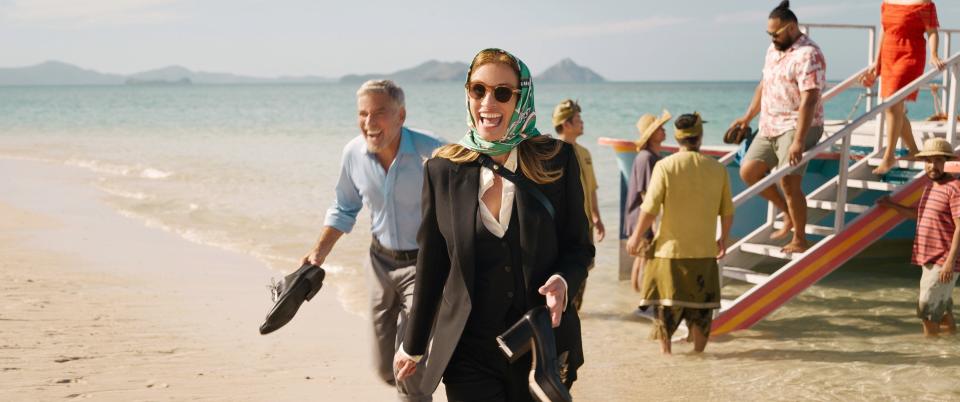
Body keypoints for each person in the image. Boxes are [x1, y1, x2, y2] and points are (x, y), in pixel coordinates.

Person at [394, 48, 593, 401]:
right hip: (467, 353)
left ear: (522, 98)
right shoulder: (442, 169)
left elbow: (579, 248)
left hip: (540, 349)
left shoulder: (558, 160)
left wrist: (563, 280)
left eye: (503, 92)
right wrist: (413, 344)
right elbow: (433, 263)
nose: (488, 102)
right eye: (478, 90)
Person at [300, 79, 444, 401]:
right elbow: (344, 206)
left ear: (400, 116)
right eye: (363, 114)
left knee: (408, 365)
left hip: (423, 267)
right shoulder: (353, 154)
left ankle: (417, 385)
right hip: (378, 264)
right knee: (384, 368)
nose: (369, 122)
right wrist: (318, 252)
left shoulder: (433, 153)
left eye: (379, 113)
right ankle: (420, 385)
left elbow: (468, 201)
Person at [626, 113, 734, 355]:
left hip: (668, 257)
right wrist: (723, 240)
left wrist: (634, 238)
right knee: (701, 320)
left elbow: (650, 208)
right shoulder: (717, 169)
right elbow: (727, 212)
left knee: (665, 324)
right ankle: (698, 371)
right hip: (703, 256)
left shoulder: (665, 166)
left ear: (677, 138)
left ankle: (669, 373)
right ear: (700, 137)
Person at [730, 0, 826, 253]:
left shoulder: (809, 55)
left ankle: (800, 238)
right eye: (769, 33)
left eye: (776, 33)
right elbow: (764, 85)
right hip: (770, 125)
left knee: (789, 182)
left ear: (792, 28)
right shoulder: (773, 50)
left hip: (799, 125)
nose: (772, 38)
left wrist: (798, 140)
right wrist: (747, 117)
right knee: (749, 172)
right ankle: (787, 213)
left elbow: (810, 99)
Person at [876, 137, 958, 337]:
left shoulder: (955, 188)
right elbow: (919, 215)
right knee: (942, 310)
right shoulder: (931, 187)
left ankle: (930, 357)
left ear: (946, 161)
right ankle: (951, 351)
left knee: (927, 313)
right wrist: (893, 206)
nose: (932, 166)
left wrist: (949, 263)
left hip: (942, 261)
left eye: (938, 160)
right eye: (928, 161)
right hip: (929, 259)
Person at [861, 0, 944, 175]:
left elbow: (932, 31)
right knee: (893, 109)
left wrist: (934, 54)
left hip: (910, 55)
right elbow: (885, 30)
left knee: (892, 105)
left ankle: (889, 156)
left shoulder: (925, 4)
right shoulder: (887, 3)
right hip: (889, 54)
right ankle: (914, 151)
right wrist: (877, 62)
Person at [553, 99, 605, 311]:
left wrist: (597, 217)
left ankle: (575, 313)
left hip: (586, 226)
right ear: (566, 124)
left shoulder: (585, 153)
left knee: (583, 269)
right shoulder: (553, 152)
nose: (582, 122)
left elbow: (591, 188)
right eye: (577, 119)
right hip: (564, 226)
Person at [625, 110, 671, 292]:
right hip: (642, 218)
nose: (664, 130)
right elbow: (647, 194)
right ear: (651, 134)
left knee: (641, 258)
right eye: (660, 128)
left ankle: (641, 300)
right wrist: (653, 224)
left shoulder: (650, 157)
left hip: (640, 217)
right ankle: (644, 299)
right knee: (644, 259)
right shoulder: (648, 158)